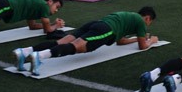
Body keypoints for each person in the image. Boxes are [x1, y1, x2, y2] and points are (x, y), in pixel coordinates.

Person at [13, 7, 158, 76]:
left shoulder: (128, 16)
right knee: (77, 47)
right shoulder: (140, 21)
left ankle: (24, 52)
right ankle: (40, 56)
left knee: (61, 42)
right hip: (105, 30)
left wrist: (132, 39)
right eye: (148, 23)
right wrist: (151, 40)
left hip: (96, 23)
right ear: (147, 18)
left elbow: (120, 42)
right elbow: (142, 46)